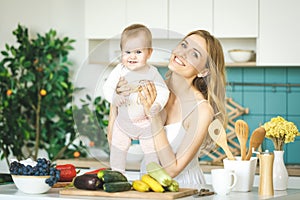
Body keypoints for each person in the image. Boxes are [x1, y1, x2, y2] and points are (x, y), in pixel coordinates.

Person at [114, 30, 226, 189]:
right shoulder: (153, 88)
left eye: (194, 54)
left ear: (204, 71)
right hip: (148, 185)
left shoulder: (201, 110)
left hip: (184, 190)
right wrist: (116, 99)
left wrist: (153, 117)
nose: (182, 53)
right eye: (183, 45)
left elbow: (172, 170)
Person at [103, 24, 169, 173]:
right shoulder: (119, 70)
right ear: (121, 53)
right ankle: (117, 174)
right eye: (127, 52)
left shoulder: (152, 72)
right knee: (117, 151)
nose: (132, 56)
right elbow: (107, 87)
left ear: (149, 53)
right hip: (122, 123)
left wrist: (157, 105)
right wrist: (114, 97)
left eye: (138, 52)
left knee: (151, 151)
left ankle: (153, 173)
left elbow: (163, 91)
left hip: (145, 122)